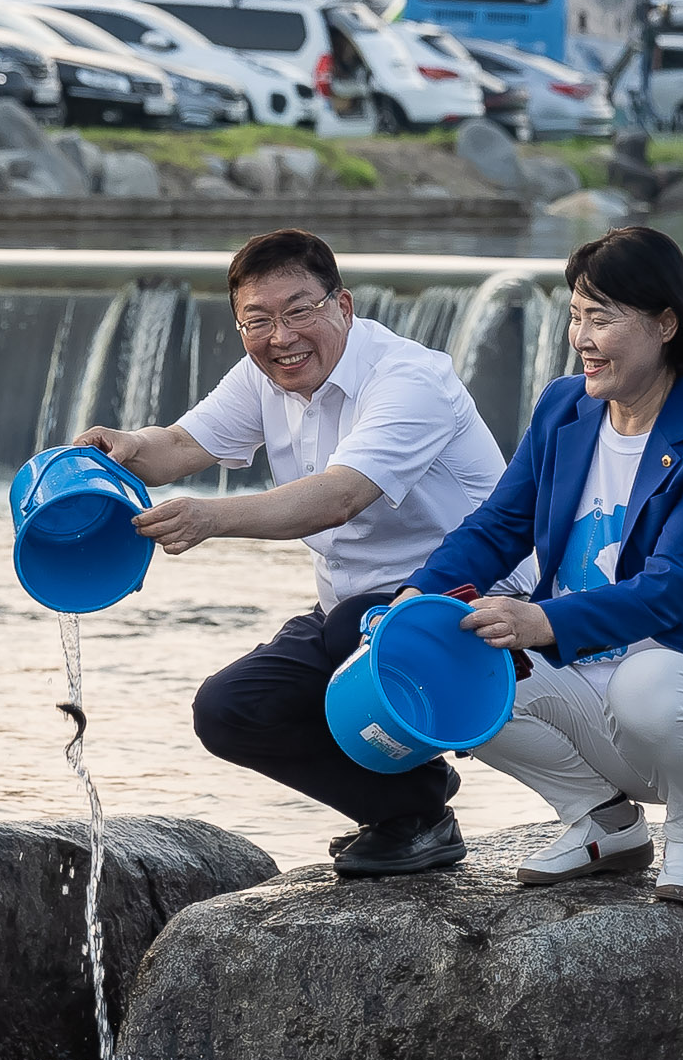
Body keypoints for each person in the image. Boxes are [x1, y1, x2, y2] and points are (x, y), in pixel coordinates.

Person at [396, 229, 683, 905]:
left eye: (601, 318)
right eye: (574, 316)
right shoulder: (563, 408)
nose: (581, 338)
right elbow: (499, 526)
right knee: (451, 667)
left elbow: (671, 588)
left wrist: (539, 619)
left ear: (664, 324)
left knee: (645, 682)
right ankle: (602, 820)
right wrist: (418, 597)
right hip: (587, 697)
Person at [75, 228, 504, 878]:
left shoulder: (409, 380)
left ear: (344, 306)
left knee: (347, 625)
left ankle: (416, 797)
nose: (281, 336)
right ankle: (412, 812)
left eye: (300, 311)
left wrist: (210, 518)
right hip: (354, 613)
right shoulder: (263, 377)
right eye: (258, 320)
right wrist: (128, 445)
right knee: (228, 709)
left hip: (469, 607)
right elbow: (183, 447)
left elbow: (338, 497)